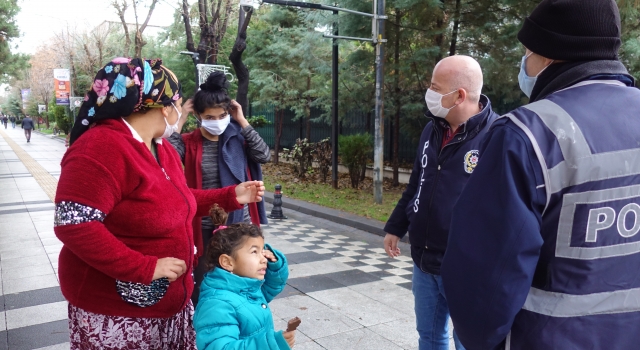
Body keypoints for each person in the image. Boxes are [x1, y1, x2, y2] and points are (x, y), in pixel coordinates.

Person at [440, 1, 640, 349]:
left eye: (528, 51)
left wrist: (477, 337)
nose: (525, 62)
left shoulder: (525, 135)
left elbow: (486, 277)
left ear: (549, 55)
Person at [54, 57, 265, 349]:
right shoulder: (100, 148)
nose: (179, 109)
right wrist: (144, 267)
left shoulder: (159, 146)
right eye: (176, 100)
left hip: (168, 305)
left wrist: (231, 196)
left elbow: (177, 201)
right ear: (160, 105)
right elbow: (75, 225)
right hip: (119, 313)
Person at [382, 55, 499, 350]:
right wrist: (396, 226)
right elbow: (417, 184)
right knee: (430, 337)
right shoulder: (432, 129)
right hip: (424, 261)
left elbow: (505, 211)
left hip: (465, 269)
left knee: (468, 343)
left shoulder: (498, 137)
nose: (429, 94)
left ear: (459, 95)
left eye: (435, 87)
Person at [167, 71, 270, 305]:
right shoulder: (188, 142)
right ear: (199, 117)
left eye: (222, 115)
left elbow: (263, 154)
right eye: (210, 117)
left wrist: (241, 119)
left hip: (239, 224)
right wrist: (181, 117)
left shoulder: (238, 138)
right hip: (203, 227)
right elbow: (166, 159)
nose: (217, 121)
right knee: (204, 284)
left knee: (242, 280)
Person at [193, 205, 293, 350]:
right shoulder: (216, 304)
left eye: (262, 251)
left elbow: (273, 285)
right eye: (254, 252)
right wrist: (271, 344)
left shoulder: (246, 288)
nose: (263, 259)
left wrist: (275, 266)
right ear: (227, 262)